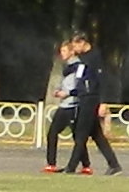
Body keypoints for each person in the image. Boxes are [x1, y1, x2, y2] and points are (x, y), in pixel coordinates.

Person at [49, 36, 119, 174]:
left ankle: (71, 167)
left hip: (91, 99)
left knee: (80, 134)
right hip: (83, 97)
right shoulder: (83, 59)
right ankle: (114, 165)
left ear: (82, 43)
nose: (74, 50)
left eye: (75, 46)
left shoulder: (95, 57)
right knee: (97, 135)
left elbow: (102, 81)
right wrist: (71, 92)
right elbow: (80, 80)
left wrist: (103, 102)